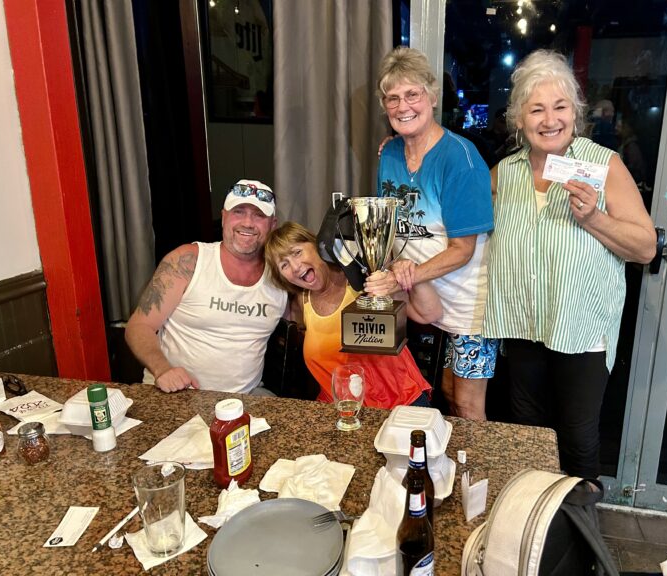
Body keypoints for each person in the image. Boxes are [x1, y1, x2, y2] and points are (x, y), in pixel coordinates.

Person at [483, 50, 656, 478]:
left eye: (559, 107)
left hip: (580, 329)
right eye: (536, 109)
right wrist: (408, 148)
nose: (550, 120)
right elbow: (461, 217)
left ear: (574, 114)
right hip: (523, 326)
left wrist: (594, 218)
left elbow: (645, 248)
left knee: (578, 442)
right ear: (519, 119)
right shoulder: (504, 172)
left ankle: (579, 520)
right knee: (529, 438)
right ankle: (534, 516)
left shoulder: (603, 165)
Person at [372, 46, 496, 421]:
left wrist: (405, 275)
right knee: (443, 393)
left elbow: (462, 250)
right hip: (424, 301)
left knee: (467, 405)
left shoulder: (461, 158)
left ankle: (474, 461)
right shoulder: (389, 154)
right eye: (393, 98)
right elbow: (389, 226)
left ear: (433, 97)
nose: (403, 106)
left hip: (469, 307)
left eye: (412, 94)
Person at [125, 180, 288, 395]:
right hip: (174, 394)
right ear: (224, 217)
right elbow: (138, 326)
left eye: (259, 215)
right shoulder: (187, 260)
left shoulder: (283, 274)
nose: (248, 223)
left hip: (244, 399)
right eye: (238, 212)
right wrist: (163, 370)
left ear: (272, 224)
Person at [264, 221, 441, 409]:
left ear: (316, 244)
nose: (295, 266)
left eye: (297, 252)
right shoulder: (302, 301)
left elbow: (429, 314)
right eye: (284, 265)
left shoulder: (364, 278)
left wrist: (410, 273)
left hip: (400, 403)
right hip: (342, 410)